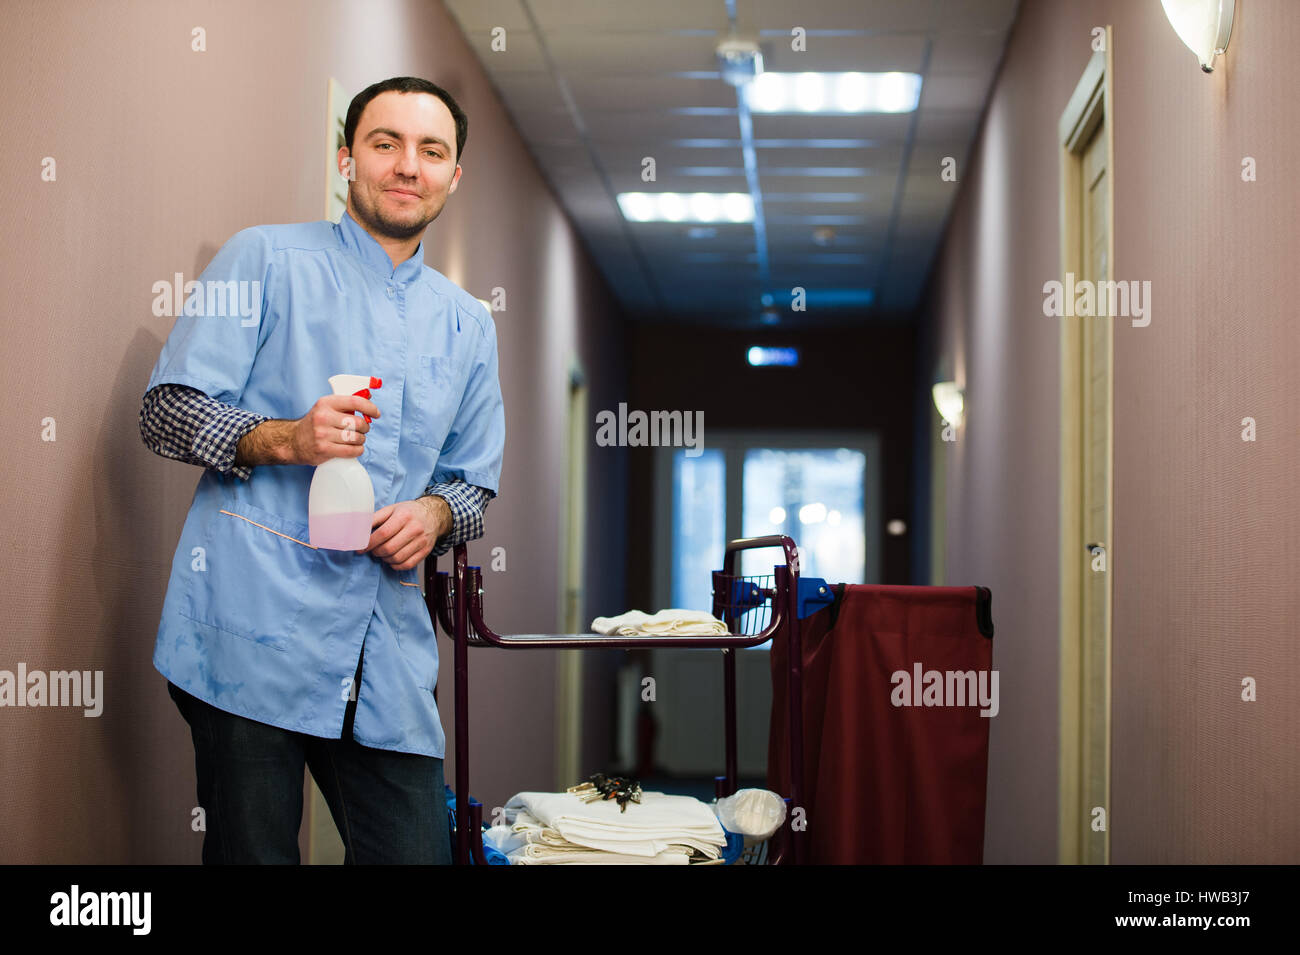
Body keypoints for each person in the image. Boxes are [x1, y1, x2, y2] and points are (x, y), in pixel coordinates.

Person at [138, 76, 504, 864]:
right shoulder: (266, 258)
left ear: (452, 176)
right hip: (251, 630)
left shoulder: (469, 324)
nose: (409, 165)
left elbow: (473, 489)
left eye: (431, 151)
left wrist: (436, 516)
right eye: (385, 144)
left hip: (385, 652)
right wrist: (284, 440)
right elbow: (164, 411)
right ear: (347, 159)